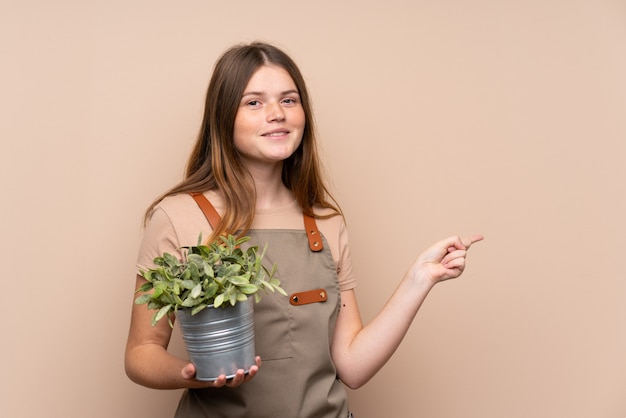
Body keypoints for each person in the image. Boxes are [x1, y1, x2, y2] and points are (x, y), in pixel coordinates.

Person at [124, 41, 483, 418]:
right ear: (223, 117)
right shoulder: (179, 216)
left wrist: (419, 279)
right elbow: (140, 353)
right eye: (254, 102)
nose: (276, 114)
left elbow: (352, 367)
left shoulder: (326, 221)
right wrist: (193, 375)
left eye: (289, 100)